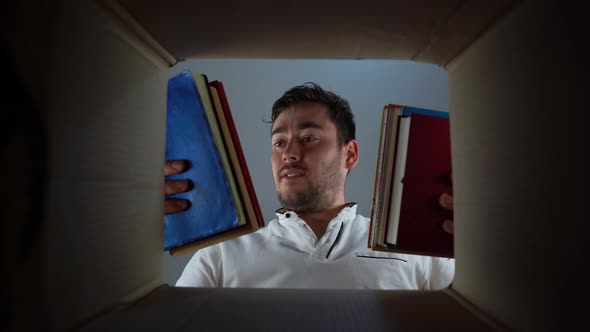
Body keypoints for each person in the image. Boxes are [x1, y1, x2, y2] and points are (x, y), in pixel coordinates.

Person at [165, 82, 455, 289]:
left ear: (350, 154)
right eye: (279, 142)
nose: (288, 153)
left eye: (308, 138)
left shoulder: (416, 253)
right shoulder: (220, 256)